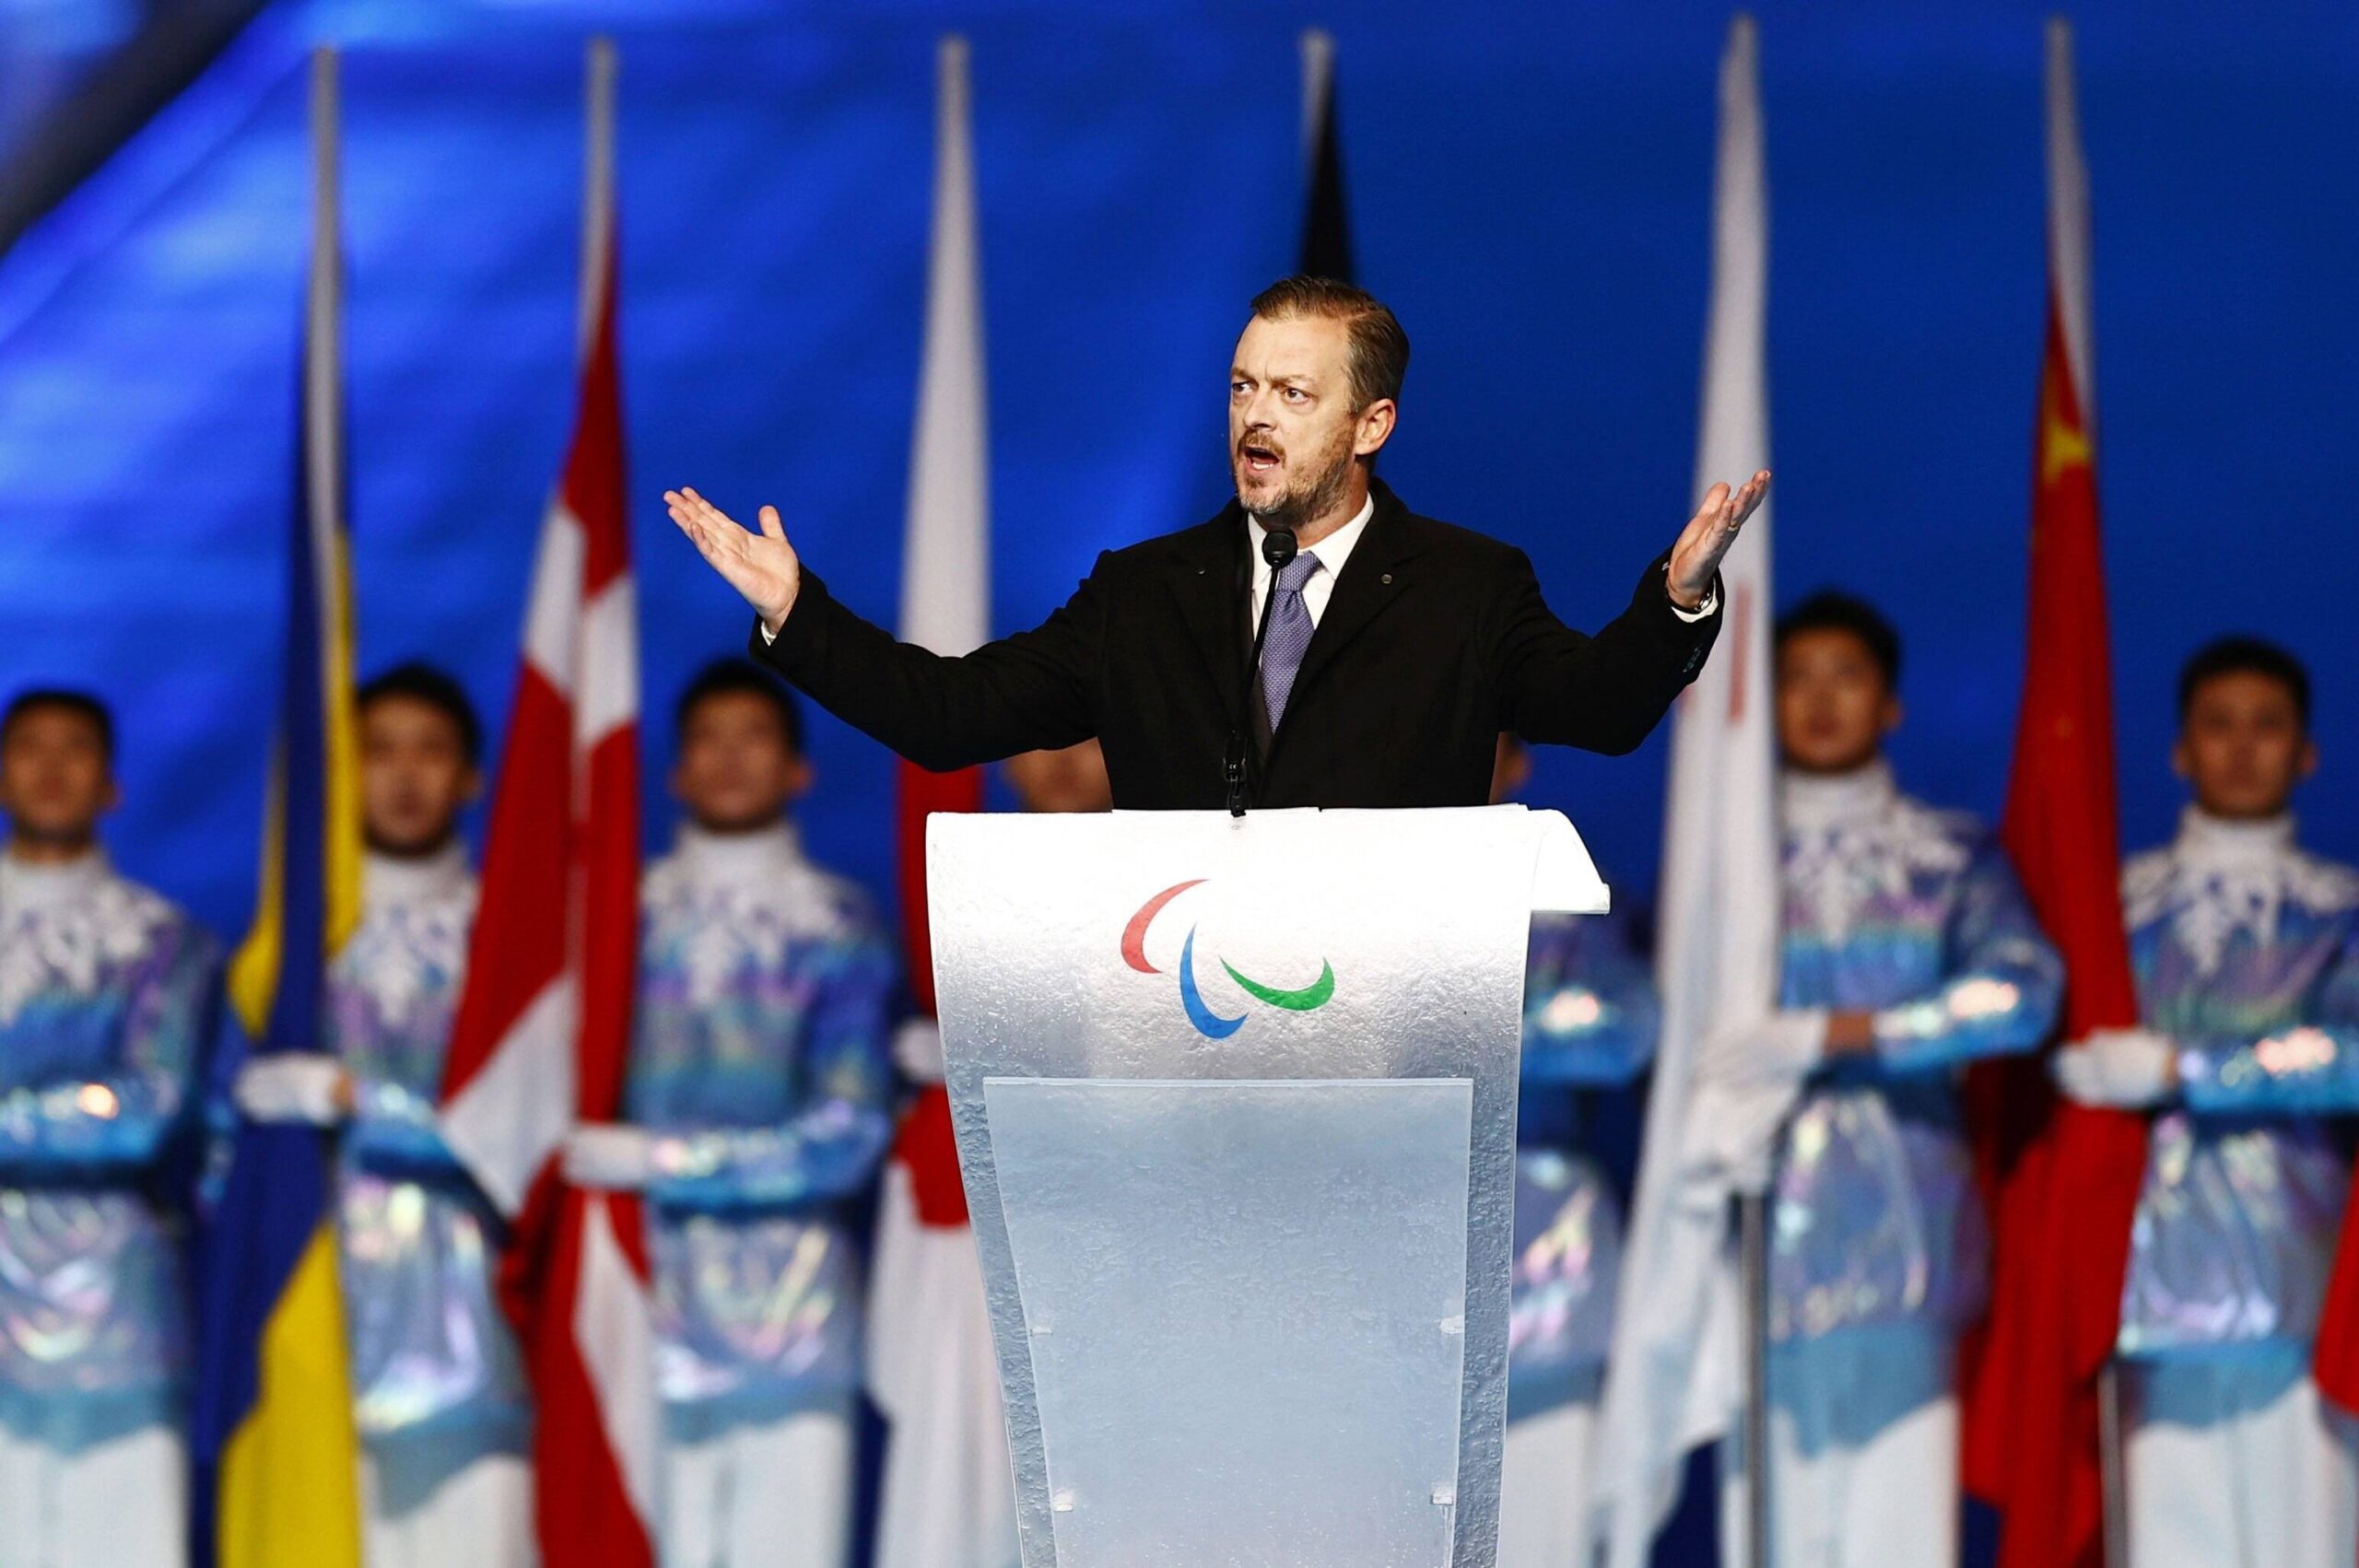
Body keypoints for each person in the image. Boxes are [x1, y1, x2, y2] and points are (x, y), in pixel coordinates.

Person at [665, 275, 1764, 808]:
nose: (1256, 417)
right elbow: (950, 719)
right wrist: (795, 614)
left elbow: (1602, 712)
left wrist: (1675, 600)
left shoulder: (1465, 588)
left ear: (1370, 425)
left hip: (1387, 1062)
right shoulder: (1145, 594)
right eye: (1243, 386)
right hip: (1185, 1055)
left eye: (1293, 392)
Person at [1706, 592, 2061, 1567]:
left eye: (1846, 675)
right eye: (1796, 678)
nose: (1820, 699)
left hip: (1909, 1237)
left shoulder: (1949, 855)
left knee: (1896, 1535)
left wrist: (1844, 1030)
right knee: (1768, 1531)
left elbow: (2024, 993)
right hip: (1751, 1231)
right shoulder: (1723, 858)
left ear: (1892, 704)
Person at [566, 660, 896, 1568]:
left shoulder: (836, 925)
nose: (730, 758)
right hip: (637, 1317)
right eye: (708, 739)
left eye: (753, 738)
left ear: (799, 769)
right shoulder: (614, 919)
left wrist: (662, 1159)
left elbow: (848, 1136)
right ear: (676, 771)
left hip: (793, 1337)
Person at [2052, 637, 2359, 1567]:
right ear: (2180, 749)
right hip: (2142, 1291)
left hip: (2299, 1292)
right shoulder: (2108, 912)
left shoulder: (2342, 911)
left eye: (2265, 727)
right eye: (2217, 726)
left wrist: (2187, 1069)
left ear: (2305, 752)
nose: (2239, 748)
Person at [234, 663, 533, 1568]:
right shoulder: (287, 946)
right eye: (378, 751)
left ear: (472, 779)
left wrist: (349, 1098)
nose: (403, 776)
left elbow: (520, 1129)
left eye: (430, 751)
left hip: (476, 1343)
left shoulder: (515, 939)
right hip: (316, 1331)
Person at [866, 739, 1109, 1568]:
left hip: (1112, 1238)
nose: (1066, 761)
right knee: (954, 1486)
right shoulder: (964, 895)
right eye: (1044, 740)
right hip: (971, 1226)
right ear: (1005, 763)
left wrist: (1004, 1053)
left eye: (1091, 735)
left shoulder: (1172, 890)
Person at [0, 688, 220, 1567]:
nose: (52, 769)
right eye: (30, 747)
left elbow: (145, 1113)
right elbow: (101, 1105)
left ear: (112, 784)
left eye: (77, 749)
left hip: (121, 1313)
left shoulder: (165, 942)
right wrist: (70, 1107)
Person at [1489, 736, 1659, 1567]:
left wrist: (1447, 1028)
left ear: (1516, 761)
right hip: (1377, 1267)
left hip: (1544, 1262)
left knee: (1540, 1534)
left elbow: (1627, 1029)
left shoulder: (1572, 897)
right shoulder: (1347, 896)